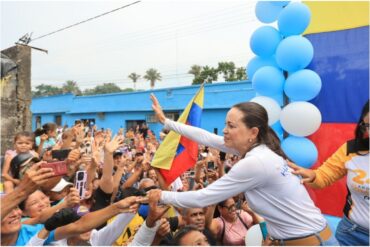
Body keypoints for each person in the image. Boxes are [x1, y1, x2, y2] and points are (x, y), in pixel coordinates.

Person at [148, 94, 338, 246]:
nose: (224, 130)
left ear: (253, 132)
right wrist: (166, 121)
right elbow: (205, 137)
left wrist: (161, 195)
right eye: (225, 124)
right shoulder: (259, 149)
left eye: (231, 126)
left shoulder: (256, 162)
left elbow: (203, 197)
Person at [288, 100, 369, 246]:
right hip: (351, 234)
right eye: (368, 125)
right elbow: (323, 176)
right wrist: (313, 176)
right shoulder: (352, 149)